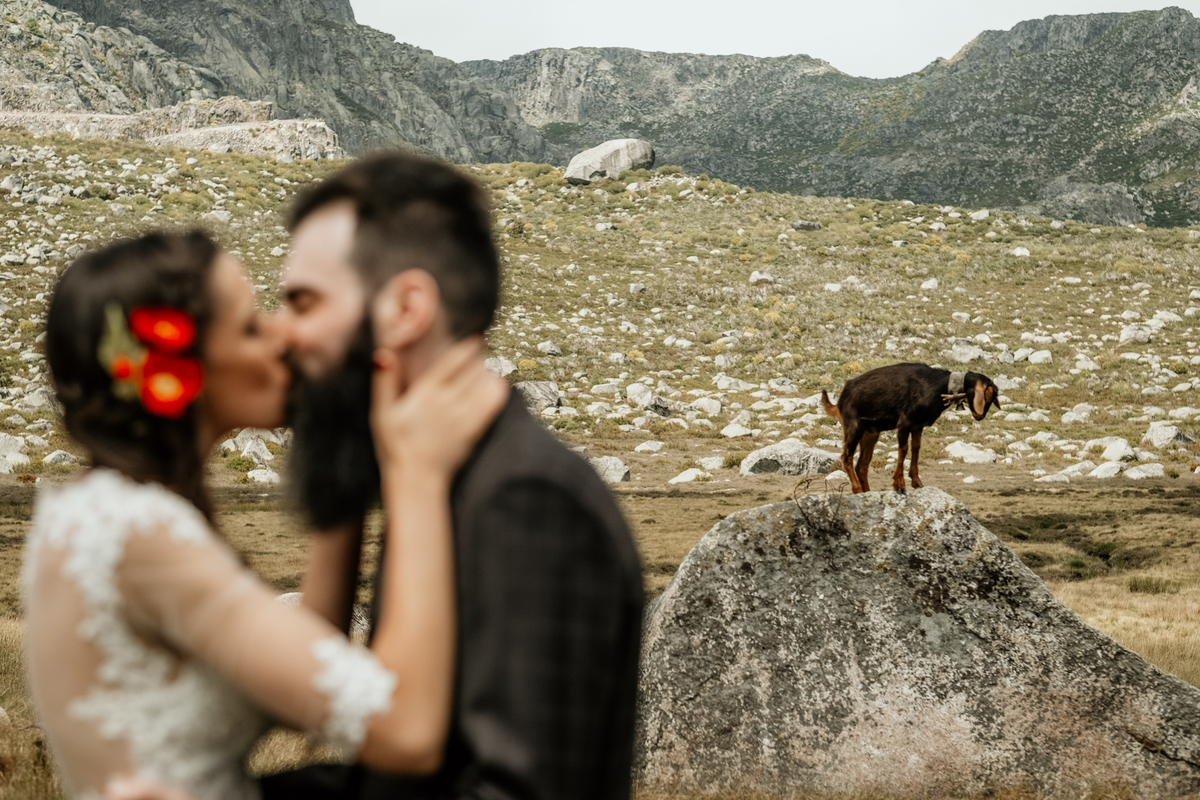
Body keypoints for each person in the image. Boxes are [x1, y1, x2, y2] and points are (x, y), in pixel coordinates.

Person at [25, 230, 507, 800]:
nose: (283, 335)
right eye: (253, 324)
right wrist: (419, 474)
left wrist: (338, 460)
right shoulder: (140, 533)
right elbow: (406, 732)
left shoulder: (97, 512)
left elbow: (304, 667)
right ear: (180, 369)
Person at [257, 151, 646, 800]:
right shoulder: (437, 480)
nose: (281, 335)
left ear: (406, 309)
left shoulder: (528, 501)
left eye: (303, 302)